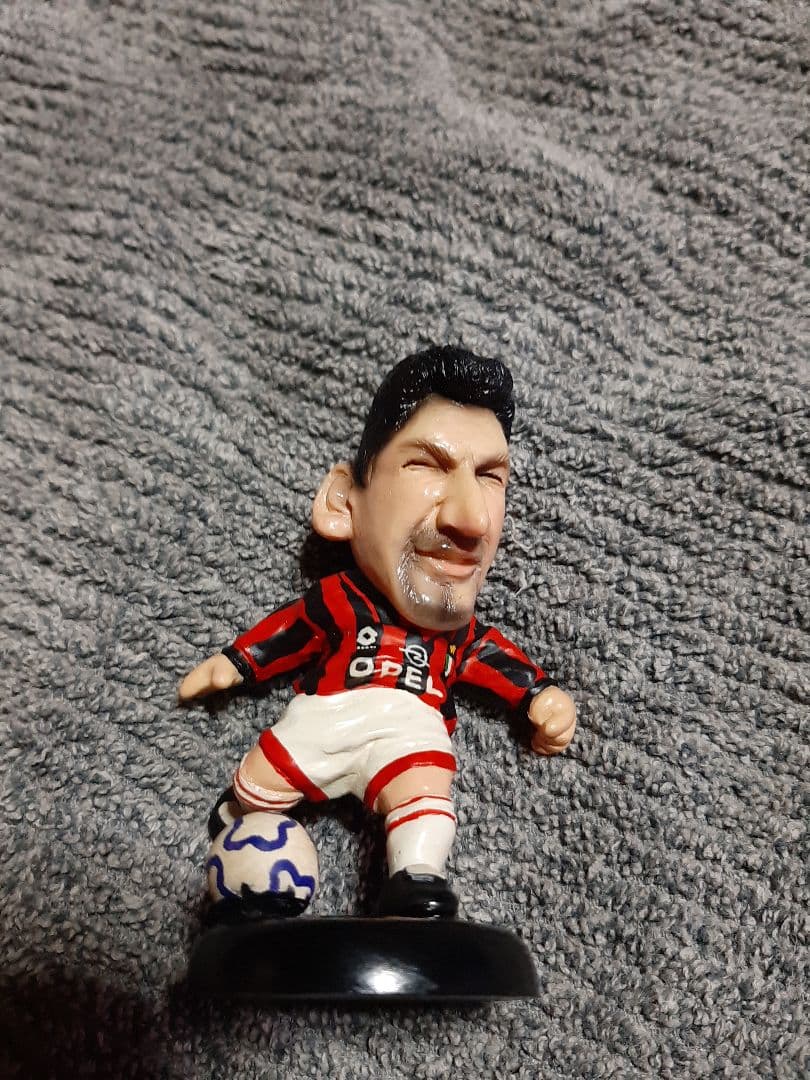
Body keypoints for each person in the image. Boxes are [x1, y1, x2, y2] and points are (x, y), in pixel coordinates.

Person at [179, 345, 576, 918]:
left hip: (411, 727)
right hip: (329, 713)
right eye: (426, 466)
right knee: (260, 783)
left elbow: (495, 658)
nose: (471, 519)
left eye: (490, 476)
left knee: (426, 796)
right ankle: (246, 846)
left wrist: (539, 693)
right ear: (344, 503)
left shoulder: (460, 640)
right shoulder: (340, 601)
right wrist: (237, 663)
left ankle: (416, 880)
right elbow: (292, 631)